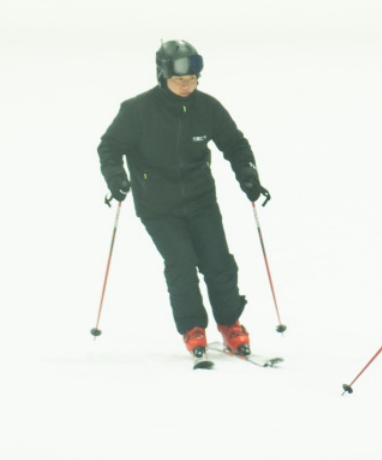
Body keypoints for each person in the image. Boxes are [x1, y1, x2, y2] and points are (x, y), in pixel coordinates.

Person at [97, 40, 268, 360]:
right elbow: (109, 147)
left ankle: (230, 323)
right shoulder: (137, 111)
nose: (186, 85)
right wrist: (116, 178)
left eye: (192, 79)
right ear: (163, 76)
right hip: (157, 206)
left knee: (219, 263)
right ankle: (193, 328)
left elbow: (234, 144)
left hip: (201, 200)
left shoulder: (208, 108)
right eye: (179, 79)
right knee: (181, 264)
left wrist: (247, 173)